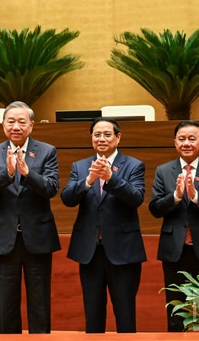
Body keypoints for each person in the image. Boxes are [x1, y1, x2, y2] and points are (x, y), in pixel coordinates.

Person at [0, 101, 60, 334]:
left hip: (38, 237)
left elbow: (52, 188)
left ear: (31, 125)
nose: (16, 126)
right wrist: (8, 173)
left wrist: (27, 173)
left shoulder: (47, 151)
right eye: (11, 121)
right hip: (5, 237)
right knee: (6, 303)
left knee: (39, 301)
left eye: (22, 122)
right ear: (3, 124)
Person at [60, 117, 146, 333]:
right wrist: (88, 181)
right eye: (97, 134)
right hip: (90, 252)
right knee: (93, 314)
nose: (101, 139)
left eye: (107, 134)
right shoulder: (80, 166)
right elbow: (67, 198)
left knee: (125, 314)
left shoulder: (134, 165)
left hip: (123, 252)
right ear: (91, 138)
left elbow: (136, 198)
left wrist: (111, 179)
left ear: (118, 137)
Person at [149, 120, 199, 331]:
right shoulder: (163, 171)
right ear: (175, 142)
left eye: (192, 139)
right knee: (176, 309)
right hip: (174, 250)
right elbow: (155, 208)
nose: (186, 143)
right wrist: (175, 197)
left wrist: (196, 197)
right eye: (182, 139)